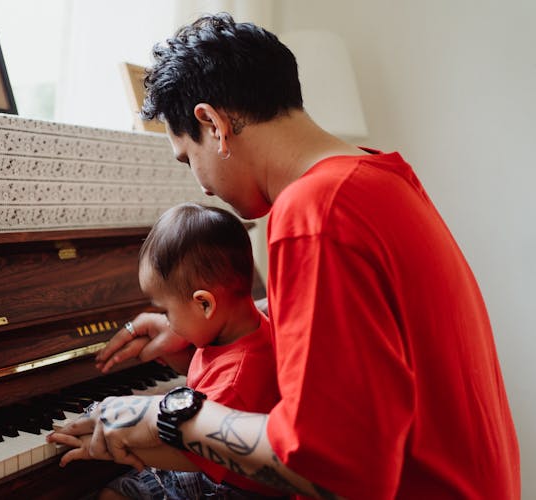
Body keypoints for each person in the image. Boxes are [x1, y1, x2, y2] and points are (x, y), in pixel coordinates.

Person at [48, 12, 520, 499]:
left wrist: (166, 417)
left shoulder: (315, 211)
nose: (202, 184)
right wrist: (207, 327)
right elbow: (356, 336)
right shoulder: (379, 178)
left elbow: (326, 467)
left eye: (189, 159)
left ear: (212, 124)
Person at [51, 202, 283, 499]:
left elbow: (192, 455)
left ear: (204, 304)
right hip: (212, 465)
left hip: (227, 487)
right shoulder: (238, 332)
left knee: (113, 495)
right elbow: (208, 380)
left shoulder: (236, 378)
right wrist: (180, 361)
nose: (166, 322)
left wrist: (116, 444)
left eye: (166, 311)